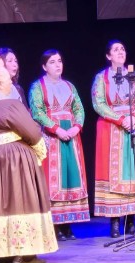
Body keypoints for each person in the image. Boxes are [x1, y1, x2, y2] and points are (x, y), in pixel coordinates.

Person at [0, 65, 58, 263]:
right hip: (12, 160)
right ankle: (22, 255)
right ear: (0, 83)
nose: (11, 83)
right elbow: (32, 133)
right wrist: (39, 149)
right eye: (8, 80)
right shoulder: (10, 104)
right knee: (19, 200)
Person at [29, 49, 90, 241]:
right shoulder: (38, 87)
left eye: (60, 61)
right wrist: (56, 129)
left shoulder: (70, 86)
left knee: (70, 177)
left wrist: (76, 127)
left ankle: (67, 225)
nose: (58, 65)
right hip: (52, 137)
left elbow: (79, 108)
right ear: (44, 67)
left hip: (71, 136)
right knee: (53, 180)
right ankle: (54, 226)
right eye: (53, 62)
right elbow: (37, 112)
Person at [92, 40, 135, 238]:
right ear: (108, 56)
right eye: (116, 50)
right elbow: (98, 103)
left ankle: (132, 220)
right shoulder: (102, 78)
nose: (120, 52)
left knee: (134, 171)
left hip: (134, 126)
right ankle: (115, 222)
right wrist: (120, 119)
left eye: (123, 49)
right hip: (111, 129)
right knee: (113, 174)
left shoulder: (134, 76)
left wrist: (134, 117)